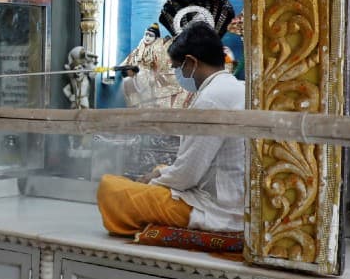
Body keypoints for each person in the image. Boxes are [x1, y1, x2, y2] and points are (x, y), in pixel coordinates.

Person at [97, 20, 246, 235]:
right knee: (157, 170)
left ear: (191, 62)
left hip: (216, 210)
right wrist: (160, 173)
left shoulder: (210, 100)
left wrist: (153, 184)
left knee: (111, 188)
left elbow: (187, 176)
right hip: (233, 201)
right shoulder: (235, 88)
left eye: (177, 67)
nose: (177, 74)